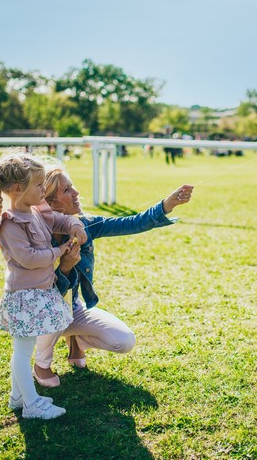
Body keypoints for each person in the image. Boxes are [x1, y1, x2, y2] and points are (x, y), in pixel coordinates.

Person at [32, 165, 194, 387]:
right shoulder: (38, 234)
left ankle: (76, 340)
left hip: (73, 308)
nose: (76, 192)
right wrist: (65, 268)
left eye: (72, 186)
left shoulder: (85, 225)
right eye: (67, 190)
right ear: (51, 203)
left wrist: (168, 204)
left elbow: (131, 223)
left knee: (124, 341)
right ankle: (42, 366)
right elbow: (47, 292)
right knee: (57, 308)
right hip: (43, 312)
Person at [0, 152, 87, 419]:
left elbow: (60, 220)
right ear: (18, 189)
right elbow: (29, 259)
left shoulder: (35, 212)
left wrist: (75, 225)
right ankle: (31, 404)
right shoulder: (10, 224)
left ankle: (17, 397)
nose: (43, 190)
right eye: (38, 185)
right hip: (24, 297)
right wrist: (59, 252)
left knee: (23, 349)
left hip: (38, 294)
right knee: (22, 352)